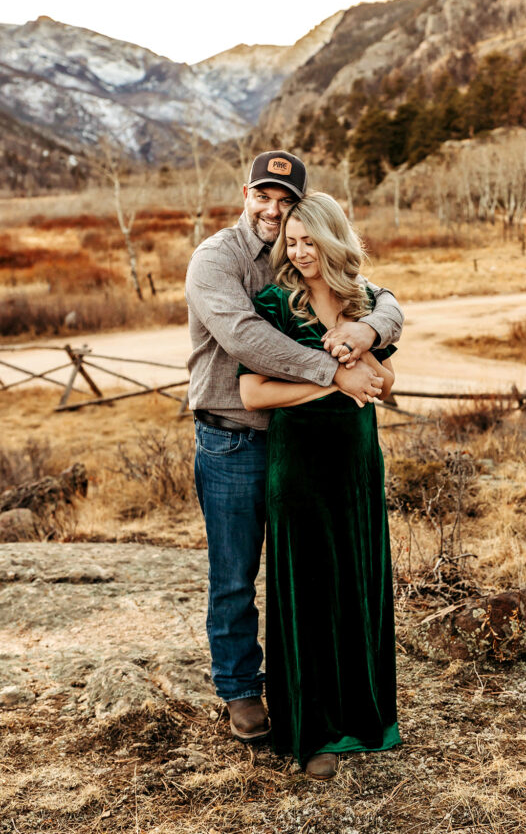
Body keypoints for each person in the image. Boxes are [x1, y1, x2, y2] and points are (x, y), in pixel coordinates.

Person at [185, 151, 403, 745]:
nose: (273, 210)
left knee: (302, 575)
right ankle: (240, 691)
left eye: (285, 201)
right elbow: (246, 339)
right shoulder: (216, 260)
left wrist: (371, 331)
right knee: (234, 576)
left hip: (297, 447)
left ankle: (317, 694)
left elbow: (383, 299)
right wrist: (335, 374)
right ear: (245, 194)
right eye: (264, 196)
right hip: (232, 439)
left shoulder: (298, 256)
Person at [238, 192, 400, 780]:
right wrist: (335, 381)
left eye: (311, 241)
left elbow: (385, 380)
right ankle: (314, 734)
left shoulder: (363, 302)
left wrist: (369, 367)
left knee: (358, 583)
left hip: (357, 460)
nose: (301, 252)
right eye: (293, 241)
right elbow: (254, 393)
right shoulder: (277, 304)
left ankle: (365, 718)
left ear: (334, 240)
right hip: (299, 464)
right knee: (307, 592)